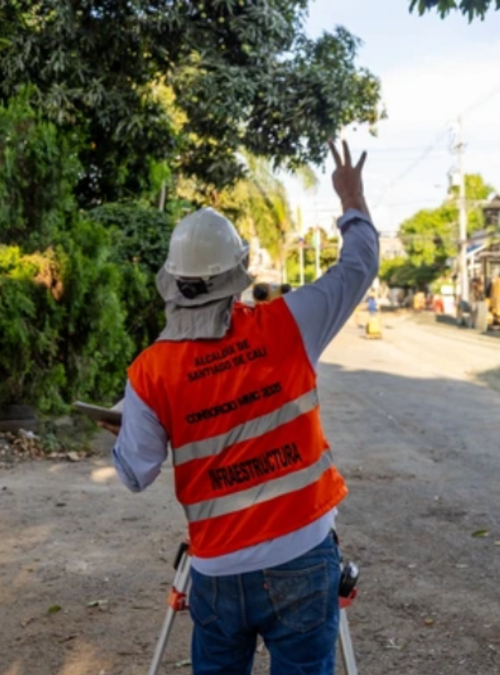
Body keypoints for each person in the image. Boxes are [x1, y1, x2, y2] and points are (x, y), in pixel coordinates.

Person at [99, 141, 377, 675]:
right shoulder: (290, 323)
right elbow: (360, 264)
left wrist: (128, 426)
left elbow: (136, 473)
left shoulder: (151, 371)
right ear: (237, 276)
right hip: (303, 554)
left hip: (217, 569)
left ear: (173, 284)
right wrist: (350, 197)